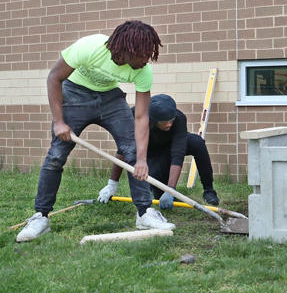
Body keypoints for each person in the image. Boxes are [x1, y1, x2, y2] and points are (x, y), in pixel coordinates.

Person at [16, 21, 175, 243]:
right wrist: (59, 121)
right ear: (128, 50)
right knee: (56, 155)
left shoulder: (143, 71)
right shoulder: (89, 48)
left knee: (131, 150)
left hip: (110, 98)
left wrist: (140, 159)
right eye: (142, 55)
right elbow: (54, 77)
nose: (146, 60)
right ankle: (40, 217)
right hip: (74, 94)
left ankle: (145, 213)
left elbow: (141, 116)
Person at [97, 94, 220, 209]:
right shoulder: (135, 117)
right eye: (164, 122)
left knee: (197, 142)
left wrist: (170, 189)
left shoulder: (179, 118)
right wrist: (112, 184)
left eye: (171, 120)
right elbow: (123, 150)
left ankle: (209, 191)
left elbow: (178, 153)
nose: (169, 124)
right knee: (159, 194)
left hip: (171, 144)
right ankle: (160, 187)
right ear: (153, 120)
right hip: (151, 151)